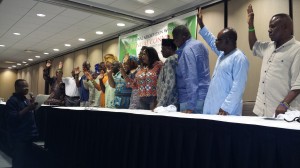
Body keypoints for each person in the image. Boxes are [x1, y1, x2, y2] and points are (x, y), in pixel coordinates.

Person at [247, 4, 300, 117]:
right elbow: (254, 46)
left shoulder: (297, 49)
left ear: (286, 28)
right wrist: (250, 24)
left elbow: (298, 84)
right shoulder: (269, 47)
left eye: (273, 27)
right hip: (261, 111)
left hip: (283, 113)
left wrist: (284, 104)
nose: (269, 30)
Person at [197, 9, 249, 115]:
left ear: (228, 41)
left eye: (218, 40)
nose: (215, 42)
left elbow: (238, 87)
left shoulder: (239, 58)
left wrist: (225, 108)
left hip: (226, 112)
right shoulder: (222, 54)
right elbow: (211, 40)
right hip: (213, 109)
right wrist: (201, 24)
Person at [172, 25, 210, 114]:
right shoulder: (200, 45)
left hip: (190, 100)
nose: (174, 41)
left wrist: (190, 105)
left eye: (175, 38)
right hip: (204, 96)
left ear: (184, 36)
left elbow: (191, 79)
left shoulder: (187, 50)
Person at [6, 79, 39, 168]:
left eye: (27, 86)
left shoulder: (26, 100)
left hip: (29, 136)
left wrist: (33, 106)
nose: (26, 89)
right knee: (19, 162)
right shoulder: (12, 101)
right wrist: (28, 108)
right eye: (24, 87)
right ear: (16, 87)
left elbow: (29, 115)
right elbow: (14, 118)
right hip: (19, 138)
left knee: (28, 162)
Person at [156, 39, 178, 108]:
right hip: (173, 101)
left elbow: (169, 83)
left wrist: (160, 103)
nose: (161, 51)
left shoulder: (170, 60)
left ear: (170, 48)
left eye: (163, 48)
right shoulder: (177, 58)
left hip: (168, 103)